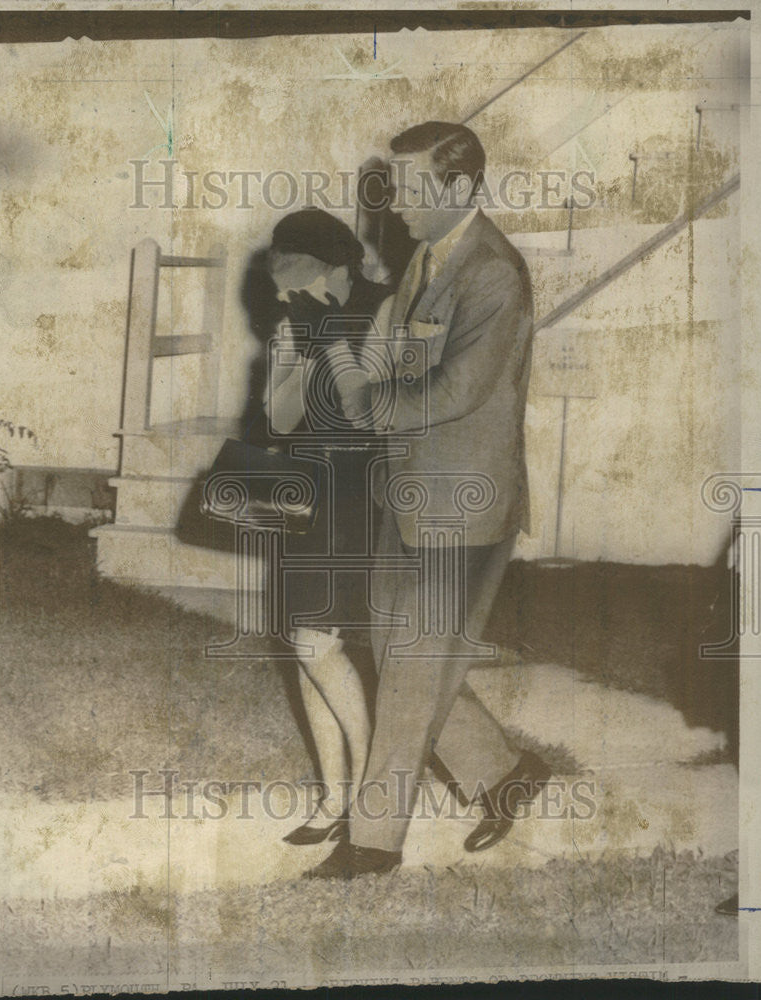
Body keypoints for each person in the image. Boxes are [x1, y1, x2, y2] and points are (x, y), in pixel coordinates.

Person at [306, 122, 550, 879]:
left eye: (407, 189)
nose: (391, 203)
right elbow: (405, 367)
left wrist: (362, 404)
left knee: (410, 675)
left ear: (456, 188)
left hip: (464, 509)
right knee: (397, 658)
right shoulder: (424, 258)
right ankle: (504, 774)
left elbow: (456, 387)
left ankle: (371, 845)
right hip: (407, 495)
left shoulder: (492, 273)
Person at [262, 208, 393, 844]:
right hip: (308, 488)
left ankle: (372, 795)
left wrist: (330, 338)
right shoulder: (299, 316)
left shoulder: (382, 308)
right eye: (283, 293)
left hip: (360, 492)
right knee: (305, 643)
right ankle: (332, 799)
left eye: (300, 287)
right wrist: (293, 350)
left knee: (320, 643)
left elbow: (364, 413)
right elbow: (280, 422)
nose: (289, 301)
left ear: (337, 269)